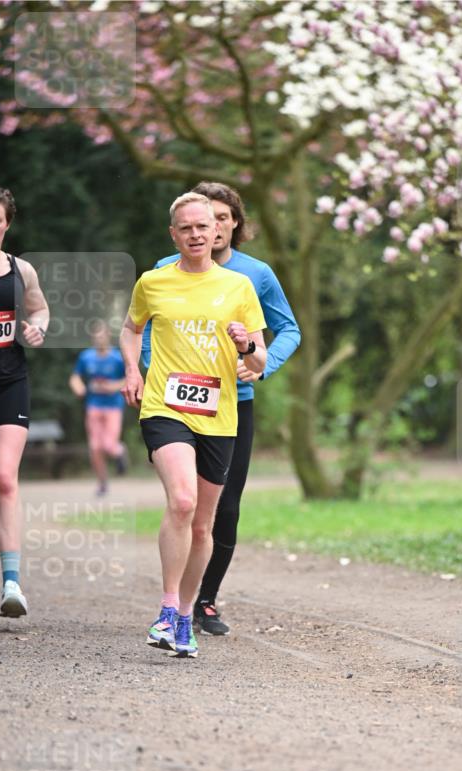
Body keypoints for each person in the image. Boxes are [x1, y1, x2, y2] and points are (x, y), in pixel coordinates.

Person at [141, 181, 301, 636]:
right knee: (184, 501)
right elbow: (149, 328)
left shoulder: (255, 275)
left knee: (223, 508)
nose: (208, 230)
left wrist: (262, 366)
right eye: (195, 222)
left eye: (221, 218)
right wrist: (151, 370)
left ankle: (203, 600)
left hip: (234, 402)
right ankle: (177, 606)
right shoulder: (162, 272)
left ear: (230, 224)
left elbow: (287, 330)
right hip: (172, 399)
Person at [120, 192, 266, 658]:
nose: (197, 235)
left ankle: (185, 615)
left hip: (218, 415)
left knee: (203, 525)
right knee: (181, 501)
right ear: (174, 235)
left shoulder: (239, 286)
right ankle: (165, 609)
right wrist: (132, 369)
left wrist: (246, 347)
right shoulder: (153, 282)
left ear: (217, 231)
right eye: (186, 228)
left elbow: (259, 359)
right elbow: (130, 328)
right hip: (165, 406)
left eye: (204, 227)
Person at [0, 186, 50, 617]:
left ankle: (12, 585)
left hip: (9, 382)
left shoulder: (21, 270)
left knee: (5, 479)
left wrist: (37, 328)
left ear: (7, 224)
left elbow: (39, 310)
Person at [69, 319, 127, 495]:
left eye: (101, 336)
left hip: (113, 407)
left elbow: (128, 379)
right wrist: (77, 387)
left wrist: (111, 387)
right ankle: (102, 483)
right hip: (93, 406)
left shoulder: (118, 357)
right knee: (95, 447)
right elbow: (75, 377)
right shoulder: (86, 357)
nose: (98, 339)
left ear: (107, 336)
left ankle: (120, 452)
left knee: (109, 445)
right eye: (95, 337)